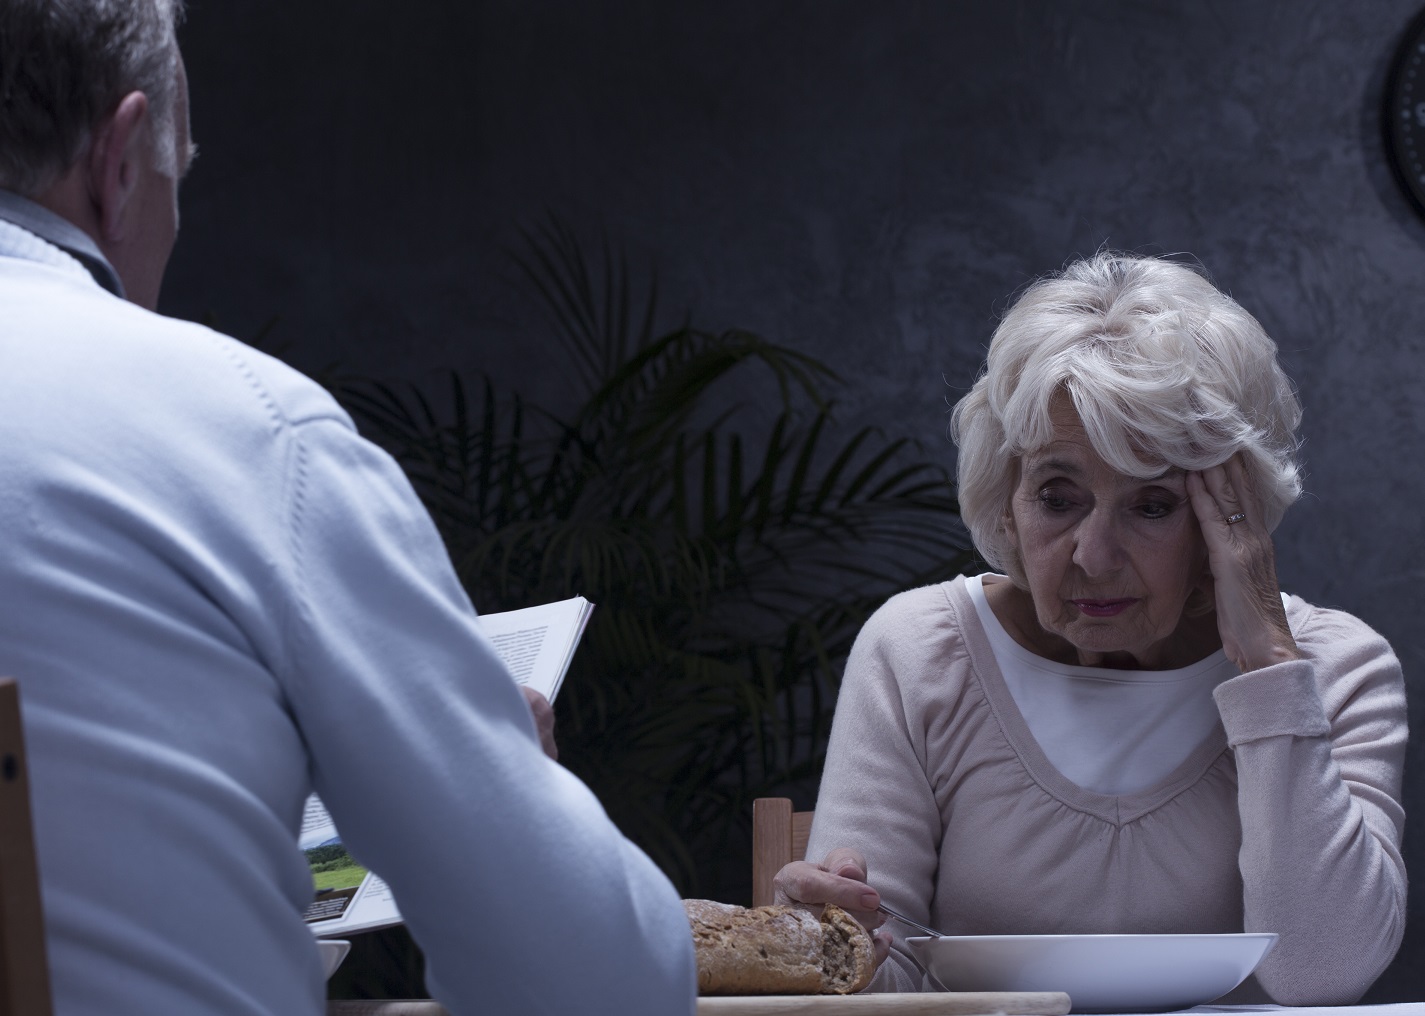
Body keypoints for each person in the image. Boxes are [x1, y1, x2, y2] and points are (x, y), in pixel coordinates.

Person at [0, 2, 695, 1013]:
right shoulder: (250, 437)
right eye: (172, 176)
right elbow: (594, 984)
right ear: (116, 163)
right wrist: (515, 788)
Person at [774, 253, 1407, 1005]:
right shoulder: (917, 650)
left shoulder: (1336, 667)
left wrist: (1268, 668)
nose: (1093, 557)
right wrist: (840, 946)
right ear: (1005, 497)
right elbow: (890, 980)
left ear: (1229, 516)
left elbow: (1321, 977)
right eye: (1056, 495)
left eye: (1150, 506)